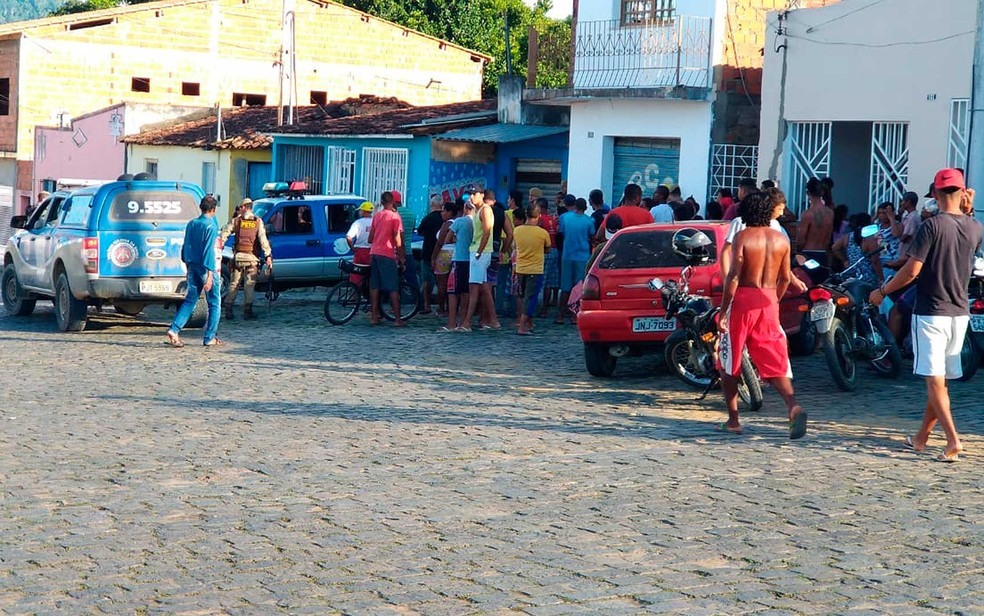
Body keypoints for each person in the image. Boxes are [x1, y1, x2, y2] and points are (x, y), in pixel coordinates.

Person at [870, 169, 982, 462]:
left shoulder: (931, 227)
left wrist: (883, 290)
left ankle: (953, 440)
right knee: (940, 382)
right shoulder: (975, 227)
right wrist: (968, 207)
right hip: (959, 311)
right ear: (962, 192)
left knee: (934, 382)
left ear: (934, 194)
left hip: (931, 310)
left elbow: (912, 270)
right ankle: (921, 437)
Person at [717, 192, 806, 439]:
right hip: (769, 299)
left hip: (744, 299)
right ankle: (792, 405)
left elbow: (734, 276)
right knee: (774, 359)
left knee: (729, 360)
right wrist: (773, 301)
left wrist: (724, 310)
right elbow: (786, 277)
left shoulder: (743, 237)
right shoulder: (780, 239)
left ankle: (733, 419)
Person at [166, 195, 222, 347]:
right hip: (205, 267)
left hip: (192, 266)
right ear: (214, 209)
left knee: (190, 300)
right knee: (214, 303)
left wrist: (188, 265)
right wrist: (210, 275)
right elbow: (208, 251)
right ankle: (210, 337)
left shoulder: (192, 224)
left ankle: (174, 329)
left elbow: (186, 246)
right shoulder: (211, 226)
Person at [219, 198, 273, 321]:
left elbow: (224, 234)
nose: (239, 209)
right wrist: (268, 256)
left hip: (238, 258)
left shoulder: (236, 221)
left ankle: (228, 311)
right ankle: (247, 312)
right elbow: (263, 240)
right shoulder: (258, 222)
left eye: (240, 207)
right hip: (252, 259)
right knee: (249, 286)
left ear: (244, 207)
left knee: (234, 284)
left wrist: (219, 246)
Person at [367, 191, 406, 327]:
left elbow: (370, 238)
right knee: (393, 287)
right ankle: (397, 319)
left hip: (374, 253)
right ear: (393, 202)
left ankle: (374, 317)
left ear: (382, 202)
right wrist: (402, 257)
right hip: (387, 254)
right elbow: (397, 239)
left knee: (375, 286)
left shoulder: (377, 216)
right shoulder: (395, 217)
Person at [513, 202, 552, 336]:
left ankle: (528, 323)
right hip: (535, 270)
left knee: (524, 296)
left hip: (520, 268)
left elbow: (515, 246)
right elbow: (548, 249)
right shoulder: (543, 233)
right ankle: (522, 326)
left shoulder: (517, 230)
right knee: (530, 299)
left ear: (526, 215)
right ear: (539, 216)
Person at [556, 197, 594, 324]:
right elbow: (591, 236)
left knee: (565, 287)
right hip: (583, 257)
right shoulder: (589, 221)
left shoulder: (565, 218)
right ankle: (574, 315)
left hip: (567, 255)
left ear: (575, 206)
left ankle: (560, 315)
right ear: (586, 207)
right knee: (578, 287)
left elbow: (561, 232)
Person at [442, 198, 474, 331]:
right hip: (471, 260)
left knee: (453, 292)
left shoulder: (459, 222)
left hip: (459, 258)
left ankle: (451, 323)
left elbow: (447, 238)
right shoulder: (476, 222)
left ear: (464, 209)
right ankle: (463, 321)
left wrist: (457, 238)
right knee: (466, 292)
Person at [832, 213, 883, 287]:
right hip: (868, 278)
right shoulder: (869, 238)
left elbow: (834, 248)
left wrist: (845, 260)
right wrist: (881, 277)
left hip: (852, 275)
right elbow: (875, 261)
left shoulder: (849, 236)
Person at [417, 196, 446, 315]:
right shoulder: (445, 219)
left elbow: (420, 231)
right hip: (443, 253)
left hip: (428, 251)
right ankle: (441, 307)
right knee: (442, 282)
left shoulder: (427, 218)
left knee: (426, 280)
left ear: (432, 205)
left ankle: (426, 305)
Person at [796, 178, 835, 267]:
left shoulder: (807, 214)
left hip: (808, 253)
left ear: (808, 193)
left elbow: (801, 239)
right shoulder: (830, 213)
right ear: (822, 192)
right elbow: (829, 236)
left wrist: (797, 252)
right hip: (823, 253)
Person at [432, 201, 459, 321]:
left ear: (449, 212)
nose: (442, 213)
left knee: (442, 285)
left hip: (443, 254)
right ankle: (451, 309)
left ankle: (441, 309)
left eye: (443, 211)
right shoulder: (458, 223)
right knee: (452, 285)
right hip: (455, 254)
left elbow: (439, 242)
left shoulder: (447, 224)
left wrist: (433, 258)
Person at [537, 196, 561, 318]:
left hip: (544, 251)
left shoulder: (540, 220)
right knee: (549, 283)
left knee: (541, 281)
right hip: (554, 250)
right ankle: (545, 308)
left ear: (541, 208)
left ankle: (539, 307)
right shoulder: (552, 219)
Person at [393, 190, 419, 294]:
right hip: (408, 250)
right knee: (412, 278)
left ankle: (393, 304)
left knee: (393, 280)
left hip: (394, 251)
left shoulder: (392, 214)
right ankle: (419, 302)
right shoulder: (411, 214)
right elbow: (412, 230)